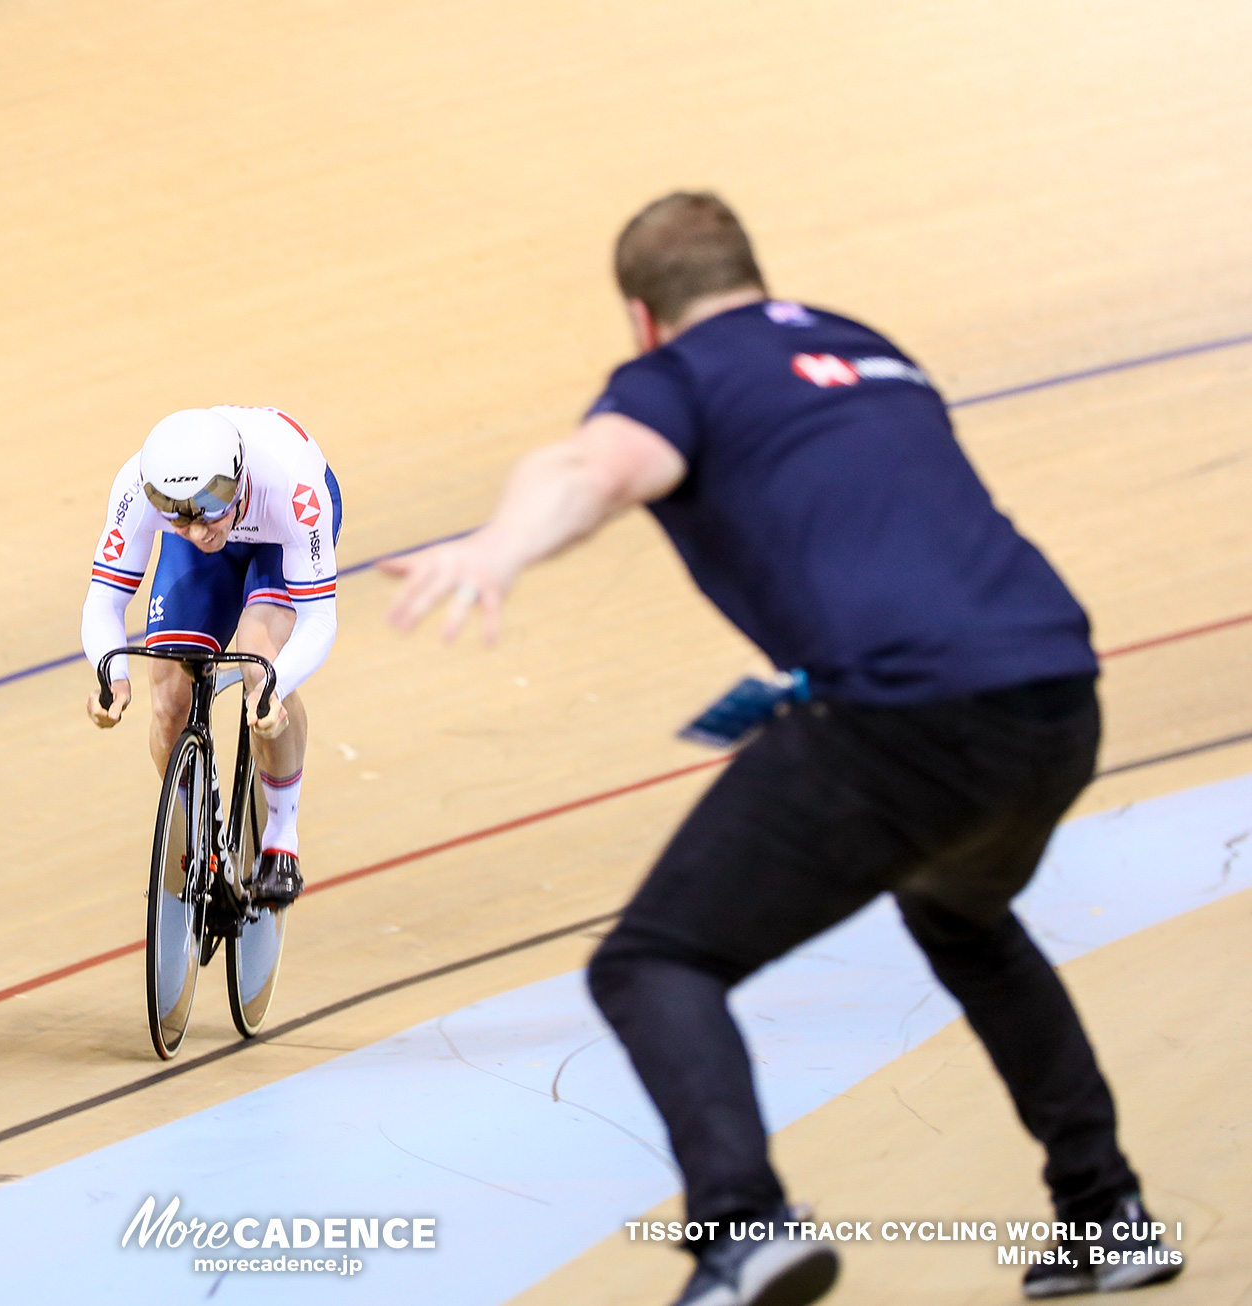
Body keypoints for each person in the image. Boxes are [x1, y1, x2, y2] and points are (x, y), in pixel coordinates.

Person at [384, 193, 1181, 1305]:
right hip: (1054, 694)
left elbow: (588, 470)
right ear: (752, 272)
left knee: (654, 962)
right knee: (962, 915)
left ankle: (744, 1229)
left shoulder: (679, 377)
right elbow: (884, 522)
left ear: (641, 316)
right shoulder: (867, 347)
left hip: (912, 715)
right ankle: (1106, 1215)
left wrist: (495, 550)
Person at [82, 406, 342, 904]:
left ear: (238, 479)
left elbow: (319, 620)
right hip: (219, 553)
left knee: (257, 659)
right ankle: (204, 843)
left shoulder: (293, 486)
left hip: (277, 536)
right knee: (168, 704)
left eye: (210, 505)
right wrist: (110, 674)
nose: (199, 529)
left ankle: (280, 841)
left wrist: (275, 685)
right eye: (179, 515)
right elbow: (104, 600)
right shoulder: (139, 488)